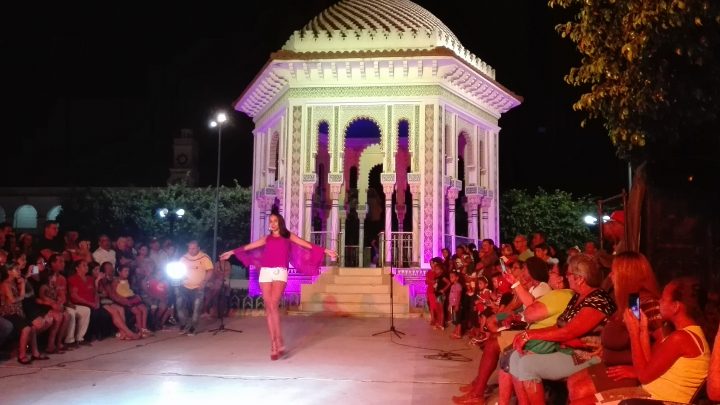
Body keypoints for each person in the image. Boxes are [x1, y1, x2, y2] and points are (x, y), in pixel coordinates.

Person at [220, 212, 337, 360]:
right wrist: (231, 252)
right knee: (269, 308)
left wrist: (326, 251)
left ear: (280, 222)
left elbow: (307, 245)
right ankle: (274, 344)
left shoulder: (288, 235)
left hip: (280, 273)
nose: (273, 223)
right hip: (265, 273)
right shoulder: (267, 238)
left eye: (275, 220)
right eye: (271, 221)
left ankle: (279, 339)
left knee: (273, 305)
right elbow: (248, 247)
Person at [508, 254, 616, 405]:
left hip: (585, 355)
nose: (566, 277)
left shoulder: (598, 299)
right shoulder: (578, 297)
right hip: (565, 348)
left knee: (528, 365)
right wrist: (530, 335)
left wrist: (529, 335)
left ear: (580, 278)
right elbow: (561, 326)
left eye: (569, 273)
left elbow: (569, 331)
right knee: (515, 357)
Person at [600, 278, 710, 404]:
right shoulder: (679, 333)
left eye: (663, 299)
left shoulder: (681, 338)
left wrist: (633, 333)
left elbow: (643, 376)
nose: (659, 302)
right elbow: (648, 366)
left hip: (657, 401)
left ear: (675, 307)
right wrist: (643, 330)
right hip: (648, 395)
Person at [176, 241, 214, 335]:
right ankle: (184, 324)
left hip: (198, 287)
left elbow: (210, 270)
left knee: (196, 307)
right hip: (184, 286)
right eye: (189, 248)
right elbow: (178, 270)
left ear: (198, 248)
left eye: (193, 248)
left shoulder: (204, 257)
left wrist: (204, 281)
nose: (191, 250)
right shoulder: (184, 258)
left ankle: (193, 327)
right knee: (180, 305)